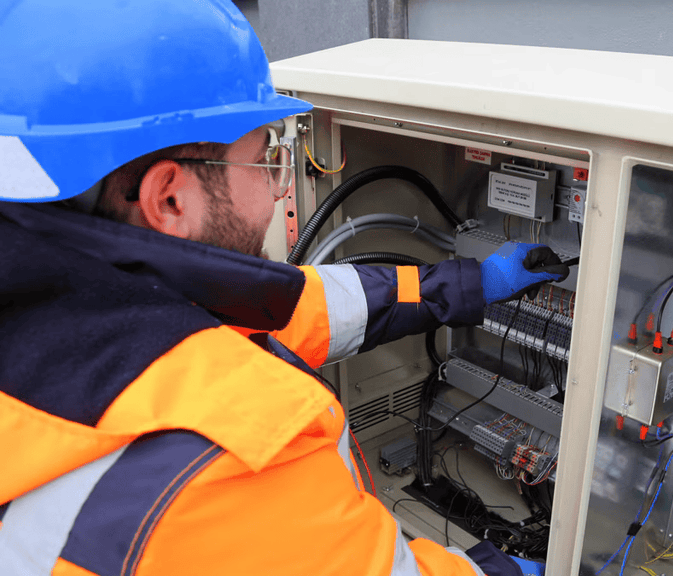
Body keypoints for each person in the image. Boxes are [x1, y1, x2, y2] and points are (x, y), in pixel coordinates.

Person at [0, 1, 568, 575]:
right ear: (169, 198)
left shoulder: (71, 293)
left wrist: (474, 281)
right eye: (267, 158)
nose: (280, 189)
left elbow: (307, 306)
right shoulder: (238, 452)